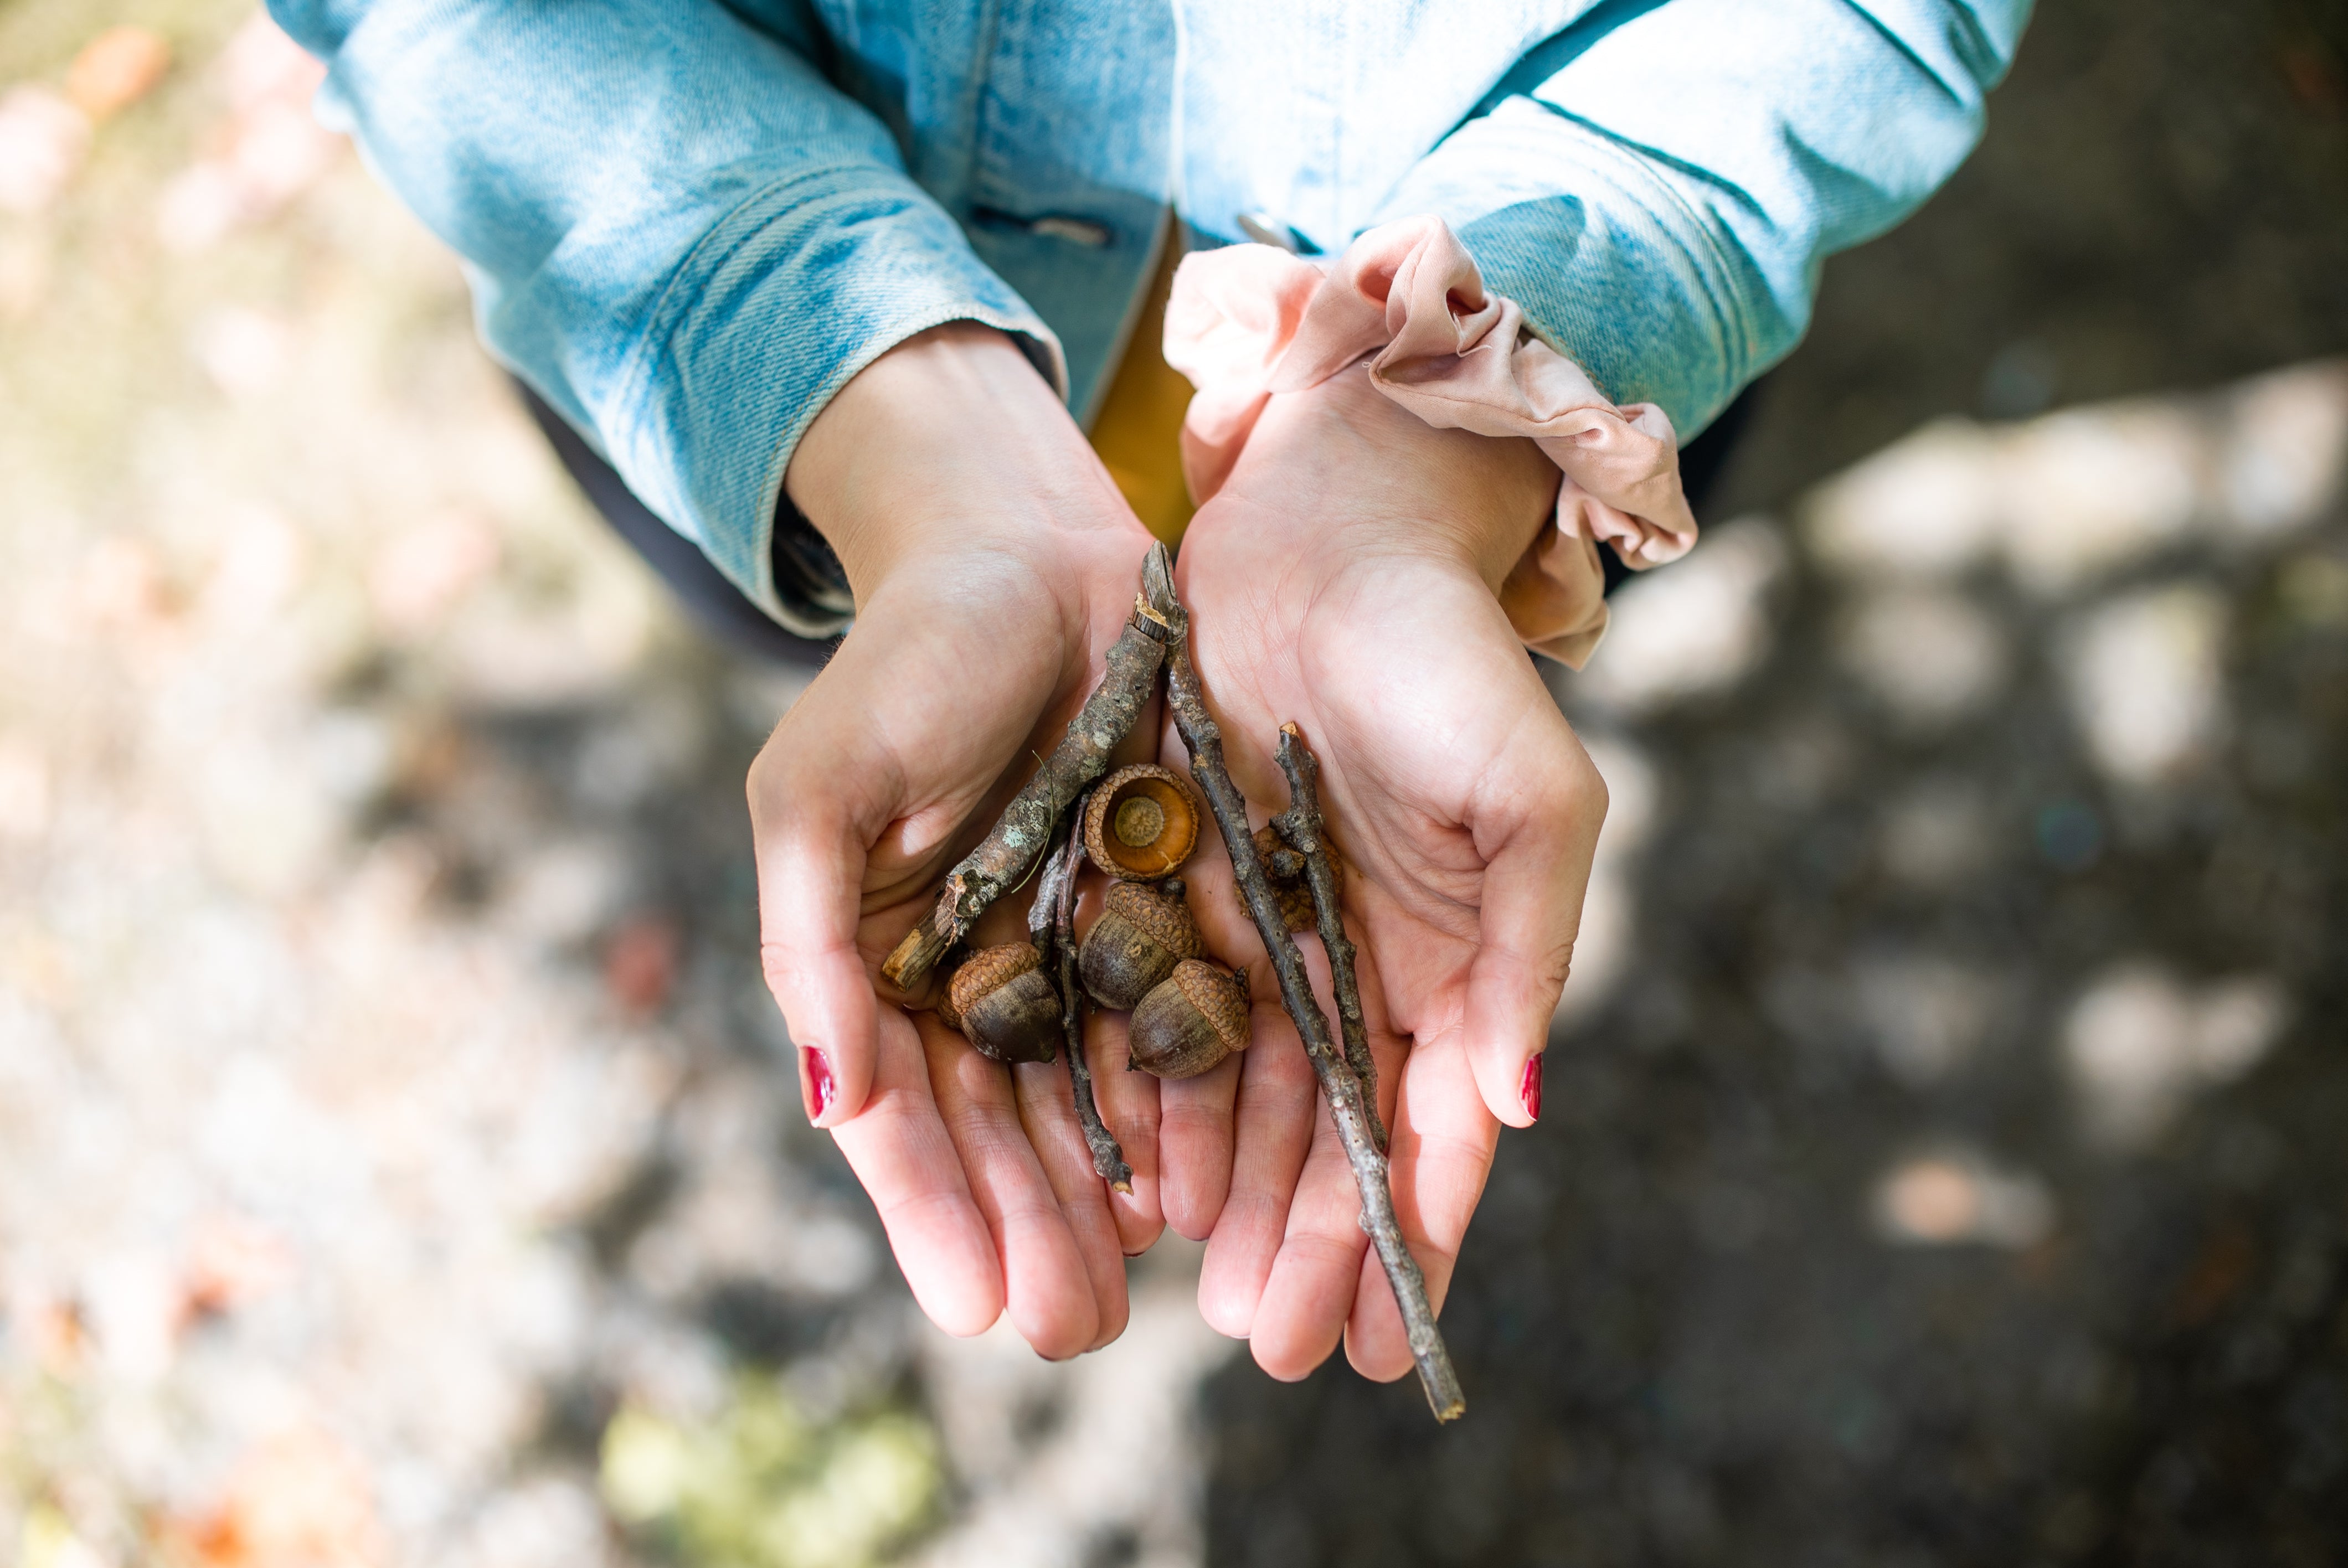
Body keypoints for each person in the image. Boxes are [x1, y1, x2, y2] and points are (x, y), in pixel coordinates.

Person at [270, 0, 2033, 1384]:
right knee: (855, 664)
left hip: (1471, 381)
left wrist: (1432, 457)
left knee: (1438, 688)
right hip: (824, 438)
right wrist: (890, 430)